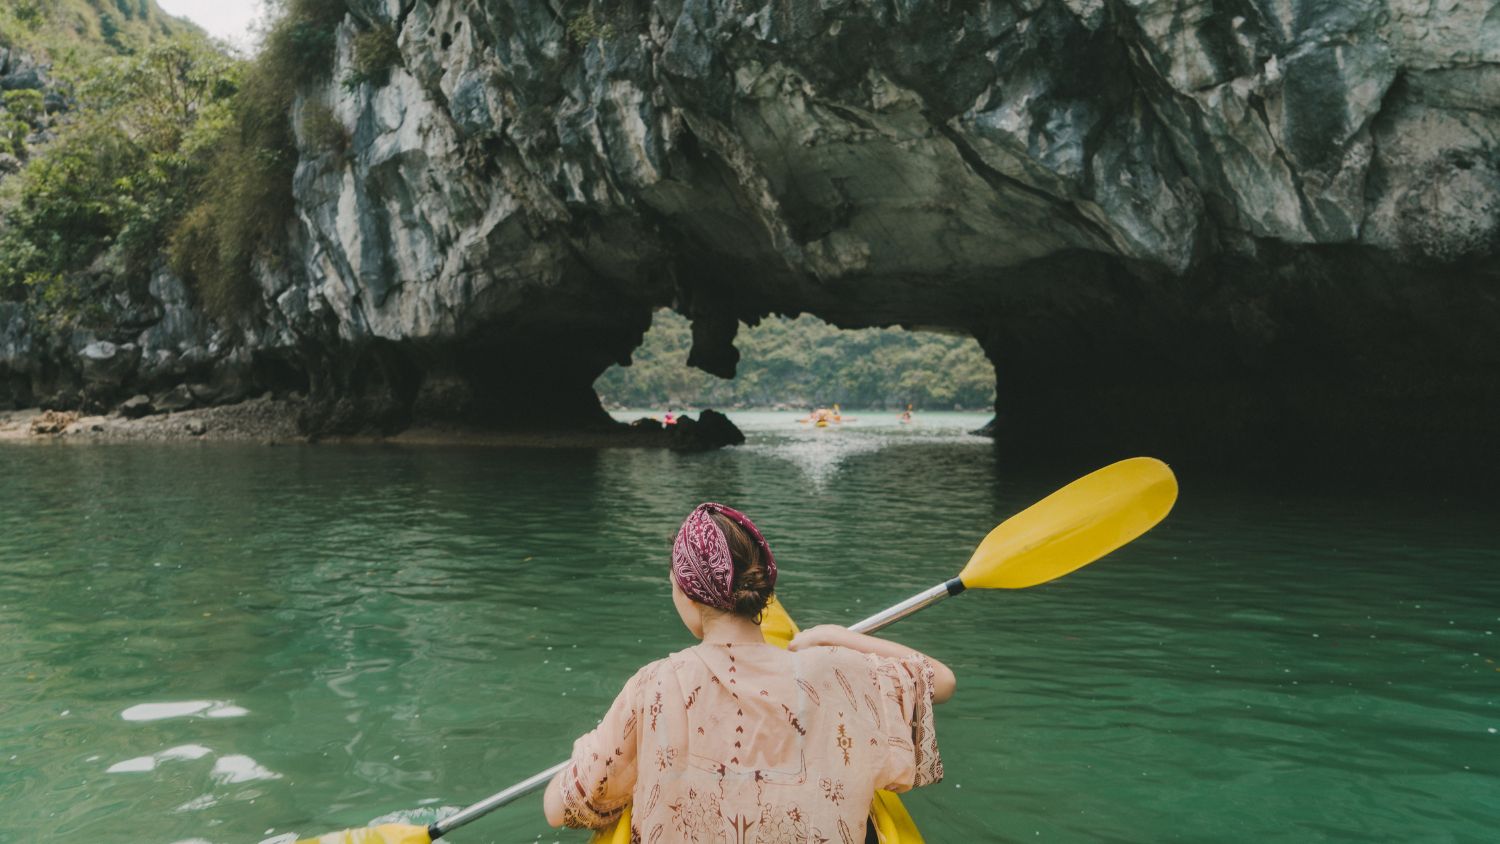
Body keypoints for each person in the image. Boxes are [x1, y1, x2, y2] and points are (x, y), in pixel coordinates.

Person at [544, 503, 955, 841]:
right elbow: (941, 680)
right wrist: (838, 637)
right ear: (763, 589)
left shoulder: (654, 685)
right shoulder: (837, 670)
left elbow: (560, 809)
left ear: (686, 592)